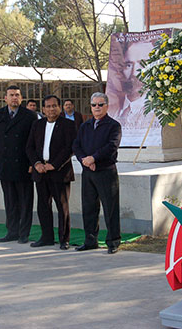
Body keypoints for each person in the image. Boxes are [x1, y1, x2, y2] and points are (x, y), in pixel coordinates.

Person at [72, 92, 122, 254]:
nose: (97, 108)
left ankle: (113, 241)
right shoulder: (85, 126)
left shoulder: (114, 126)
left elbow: (111, 146)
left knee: (110, 208)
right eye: (94, 105)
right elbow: (76, 145)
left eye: (100, 104)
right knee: (89, 208)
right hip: (88, 172)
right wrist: (84, 160)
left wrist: (94, 158)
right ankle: (90, 240)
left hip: (106, 172)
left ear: (107, 106)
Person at [26, 95, 76, 250]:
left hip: (59, 172)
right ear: (43, 109)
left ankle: (63, 239)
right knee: (43, 206)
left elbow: (69, 148)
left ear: (59, 108)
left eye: (54, 106)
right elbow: (29, 147)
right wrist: (37, 164)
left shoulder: (68, 125)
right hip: (41, 172)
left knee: (62, 207)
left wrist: (54, 165)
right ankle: (46, 237)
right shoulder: (37, 125)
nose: (51, 109)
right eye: (48, 106)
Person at [0, 85, 37, 244]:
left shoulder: (30, 116)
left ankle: (24, 233)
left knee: (25, 201)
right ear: (5, 98)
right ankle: (12, 232)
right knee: (10, 201)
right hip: (5, 163)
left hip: (24, 164)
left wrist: (33, 162)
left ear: (21, 98)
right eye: (11, 95)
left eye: (17, 95)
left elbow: (34, 142)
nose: (14, 98)